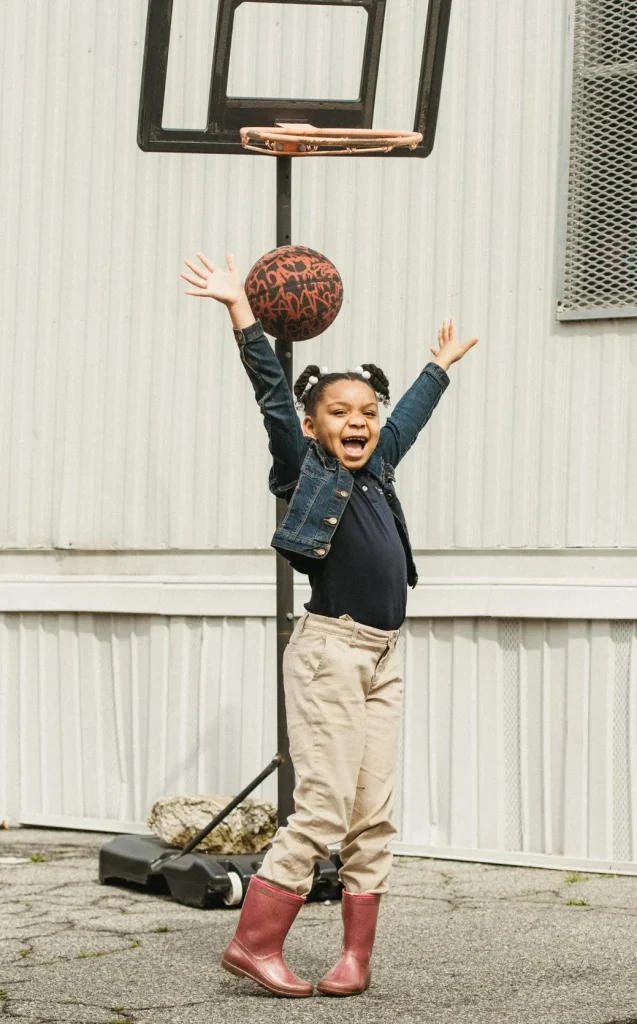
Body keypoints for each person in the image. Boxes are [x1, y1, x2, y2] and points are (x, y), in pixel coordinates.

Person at [181, 251, 479, 998]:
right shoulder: (304, 469)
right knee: (321, 807)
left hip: (384, 655)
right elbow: (274, 399)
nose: (358, 422)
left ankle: (354, 958)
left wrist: (435, 368)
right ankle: (254, 943)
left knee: (372, 816)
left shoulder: (376, 468)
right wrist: (240, 313)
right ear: (315, 428)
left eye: (365, 413)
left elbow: (404, 416)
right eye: (339, 413)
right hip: (331, 652)